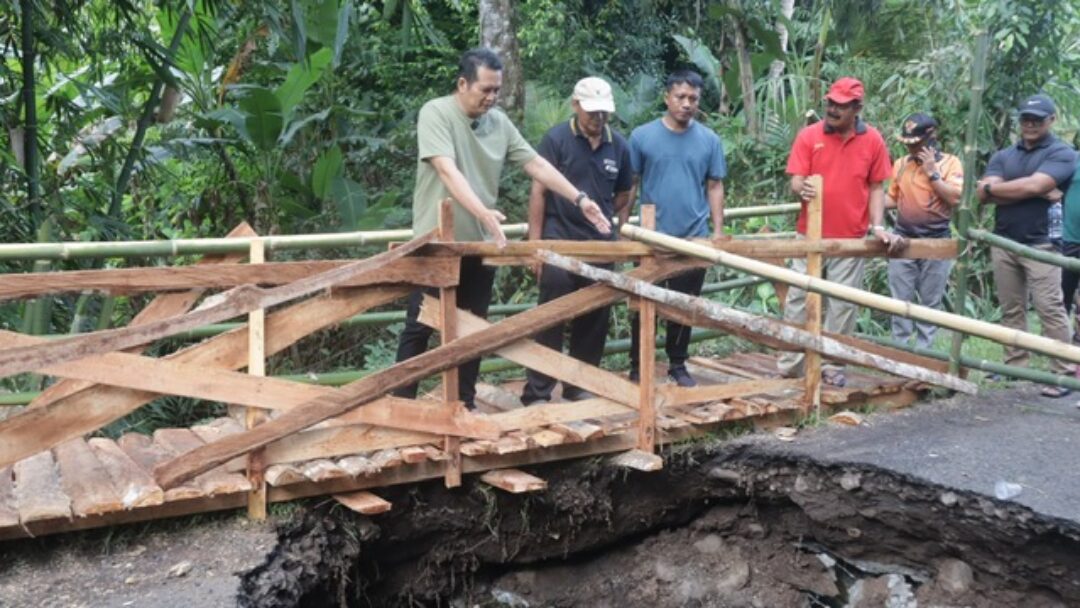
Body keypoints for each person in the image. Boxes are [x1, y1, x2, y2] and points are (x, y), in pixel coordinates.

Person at [393, 48, 612, 409]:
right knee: (420, 325)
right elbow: (446, 169)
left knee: (473, 327)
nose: (492, 97)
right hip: (436, 243)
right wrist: (483, 212)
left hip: (481, 244)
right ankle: (400, 405)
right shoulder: (436, 113)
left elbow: (536, 164)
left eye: (497, 90)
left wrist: (580, 199)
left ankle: (464, 404)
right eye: (485, 89)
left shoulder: (499, 123)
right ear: (462, 84)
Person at [519, 77, 633, 405]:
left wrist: (612, 227)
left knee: (594, 317)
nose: (598, 118)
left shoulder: (619, 146)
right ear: (576, 105)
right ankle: (538, 390)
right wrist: (535, 246)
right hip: (558, 240)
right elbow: (539, 192)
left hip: (600, 244)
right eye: (592, 111)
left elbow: (624, 194)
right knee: (551, 314)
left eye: (604, 112)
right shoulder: (556, 140)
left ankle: (578, 385)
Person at [777, 77, 894, 387]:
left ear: (857, 108)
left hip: (850, 236)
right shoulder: (809, 135)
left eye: (841, 106)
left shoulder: (873, 140)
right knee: (798, 297)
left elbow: (877, 187)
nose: (832, 109)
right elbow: (795, 178)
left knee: (842, 302)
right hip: (809, 233)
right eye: (830, 103)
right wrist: (800, 186)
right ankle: (792, 362)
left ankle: (832, 363)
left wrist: (878, 226)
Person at [627, 69, 727, 388]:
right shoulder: (642, 136)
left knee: (685, 304)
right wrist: (622, 226)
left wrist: (718, 231)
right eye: (680, 97)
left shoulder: (709, 140)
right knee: (644, 301)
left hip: (694, 235)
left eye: (693, 98)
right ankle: (638, 363)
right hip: (651, 236)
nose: (686, 104)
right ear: (667, 97)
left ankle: (677, 363)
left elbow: (715, 185)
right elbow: (631, 183)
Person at [976, 93, 1077, 397]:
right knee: (1011, 307)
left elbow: (1036, 185)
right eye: (1025, 119)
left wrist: (998, 189)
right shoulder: (1004, 155)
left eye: (1037, 120)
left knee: (1050, 308)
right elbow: (982, 194)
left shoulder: (1062, 153)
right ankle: (1014, 365)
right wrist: (1020, 190)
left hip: (1043, 243)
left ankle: (1062, 371)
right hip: (1003, 239)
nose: (1030, 124)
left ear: (1051, 120)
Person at [883, 112, 963, 349]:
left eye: (916, 144)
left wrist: (932, 173)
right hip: (903, 240)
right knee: (899, 302)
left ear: (931, 137)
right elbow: (892, 198)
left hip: (936, 242)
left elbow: (954, 198)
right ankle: (900, 351)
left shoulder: (951, 163)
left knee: (930, 302)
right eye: (908, 144)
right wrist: (867, 200)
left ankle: (924, 353)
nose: (912, 149)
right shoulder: (901, 164)